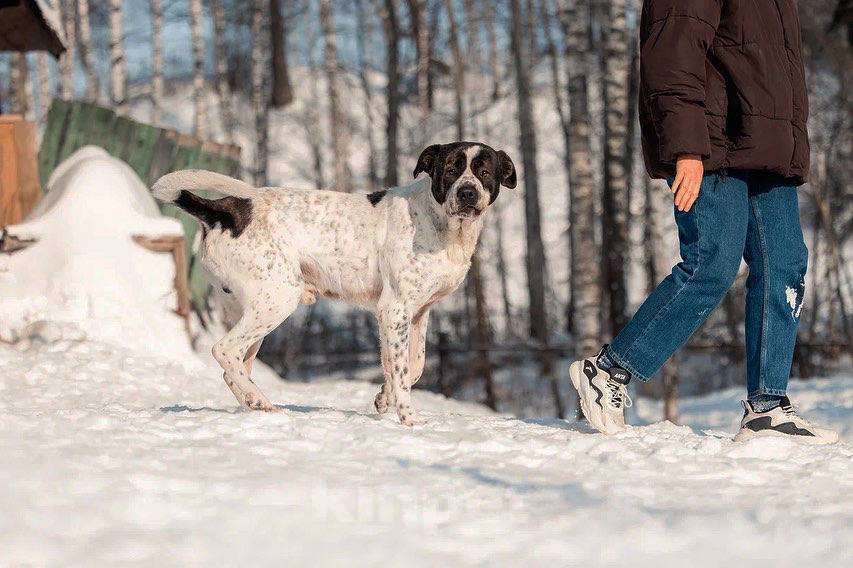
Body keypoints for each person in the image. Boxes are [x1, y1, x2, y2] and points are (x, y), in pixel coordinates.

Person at [569, 0, 838, 444]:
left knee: (785, 264)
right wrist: (686, 147)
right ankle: (609, 372)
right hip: (713, 143)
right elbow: (672, 53)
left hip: (765, 147)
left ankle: (767, 406)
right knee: (711, 263)